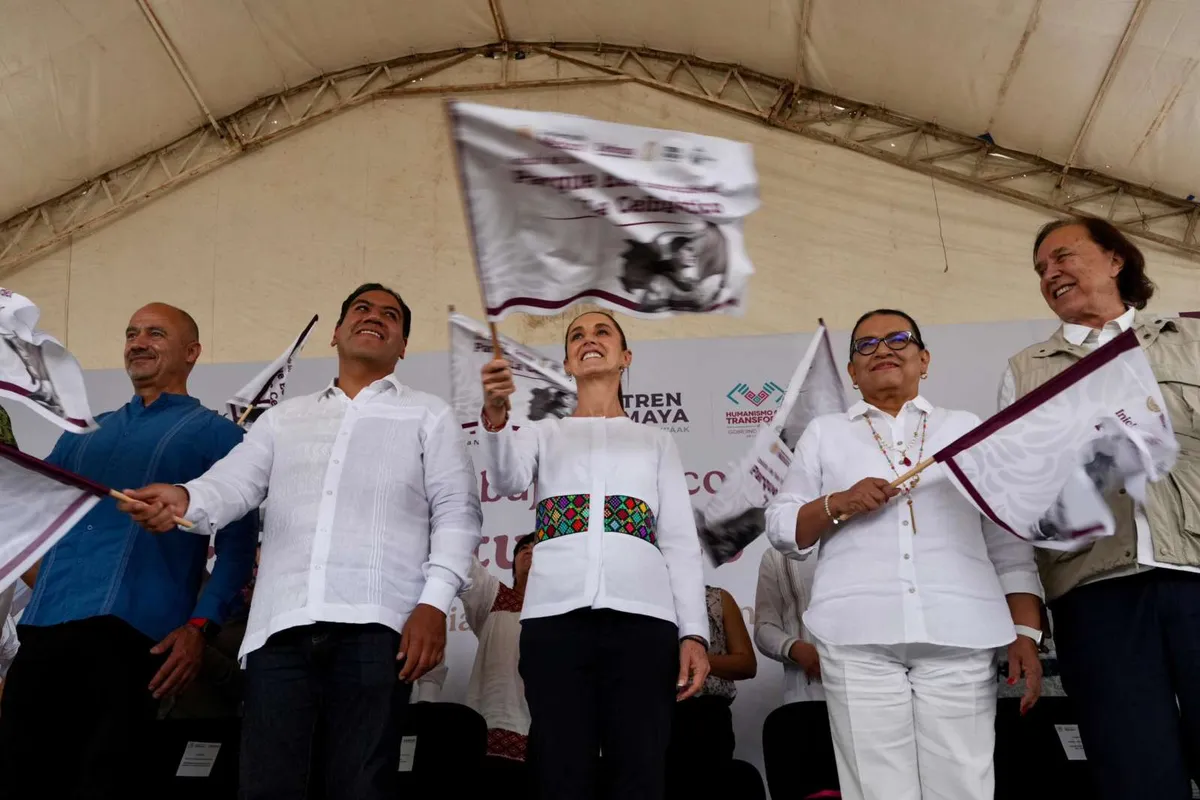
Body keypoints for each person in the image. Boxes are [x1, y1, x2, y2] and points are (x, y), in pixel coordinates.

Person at [121, 283, 483, 800]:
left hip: (378, 628)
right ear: (336, 332)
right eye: (361, 308)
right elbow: (231, 485)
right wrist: (182, 499)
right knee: (268, 786)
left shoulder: (430, 415)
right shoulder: (284, 418)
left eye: (390, 315)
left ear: (403, 344)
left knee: (360, 786)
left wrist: (432, 604)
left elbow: (457, 513)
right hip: (279, 631)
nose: (373, 317)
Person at [765, 309, 1045, 800]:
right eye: (866, 345)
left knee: (964, 785)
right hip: (857, 636)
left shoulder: (965, 429)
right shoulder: (825, 433)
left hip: (959, 631)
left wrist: (1025, 630)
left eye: (898, 338)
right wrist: (838, 503)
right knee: (877, 789)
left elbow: (1007, 537)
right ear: (852, 372)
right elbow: (783, 527)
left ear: (924, 358)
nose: (883, 350)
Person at [0, 303, 258, 799]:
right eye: (131, 333)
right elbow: (37, 516)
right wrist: (46, 584)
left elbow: (239, 547)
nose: (138, 342)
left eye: (155, 333)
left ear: (192, 352)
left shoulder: (220, 434)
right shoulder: (83, 432)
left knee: (106, 781)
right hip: (43, 630)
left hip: (138, 635)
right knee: (20, 778)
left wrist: (199, 629)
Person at [1000, 217, 1200, 800]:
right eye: (1041, 269)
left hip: (1195, 570)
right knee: (1136, 771)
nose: (1051, 273)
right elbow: (1015, 500)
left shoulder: (1190, 344)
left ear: (1116, 260)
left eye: (1063, 256)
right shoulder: (1025, 370)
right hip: (1095, 591)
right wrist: (1026, 627)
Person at [479, 310, 710, 800]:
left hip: (644, 623)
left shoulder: (656, 440)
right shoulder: (543, 433)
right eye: (577, 336)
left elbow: (680, 545)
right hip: (553, 620)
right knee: (560, 770)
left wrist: (693, 633)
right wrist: (498, 417)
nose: (589, 339)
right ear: (567, 362)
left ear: (625, 357)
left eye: (602, 331)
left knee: (640, 769)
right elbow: (505, 481)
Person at [665, 585, 756, 800]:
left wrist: (697, 660)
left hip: (706, 715)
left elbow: (746, 664)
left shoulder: (716, 598)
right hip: (649, 714)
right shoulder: (634, 602)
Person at [461, 532, 535, 767]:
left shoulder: (564, 614)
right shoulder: (494, 597)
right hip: (491, 730)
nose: (529, 551)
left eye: (538, 547)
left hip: (547, 738)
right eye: (523, 547)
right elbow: (463, 561)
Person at [754, 546, 824, 704]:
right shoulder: (777, 555)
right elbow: (764, 627)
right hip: (809, 694)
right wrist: (794, 648)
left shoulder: (868, 544)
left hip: (873, 688)